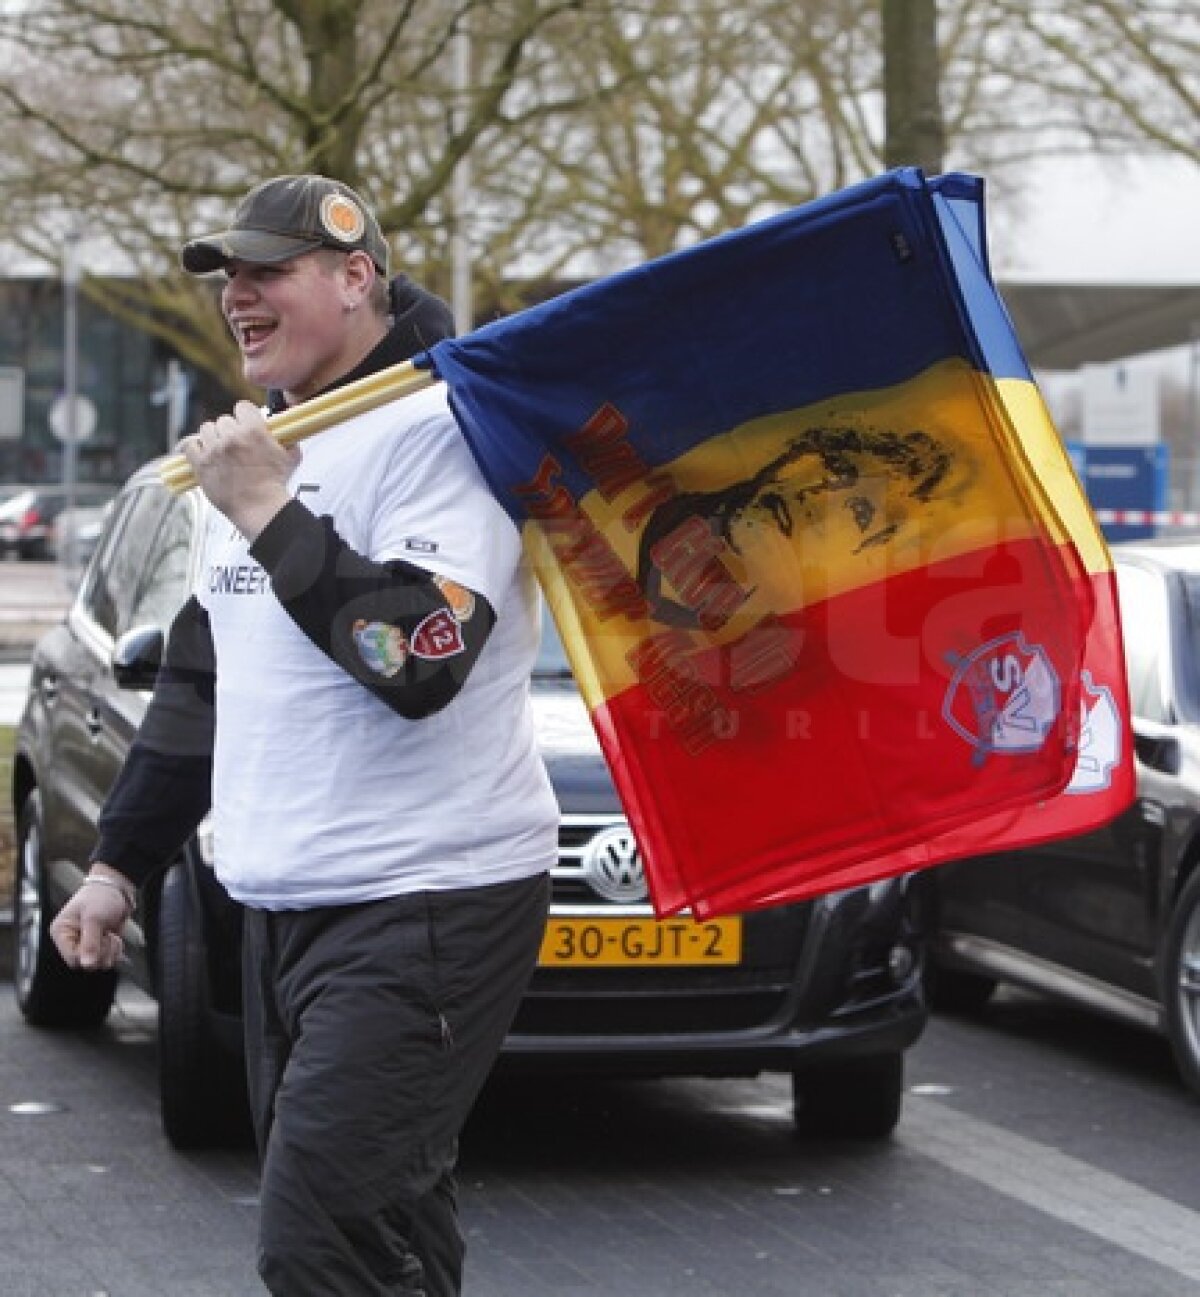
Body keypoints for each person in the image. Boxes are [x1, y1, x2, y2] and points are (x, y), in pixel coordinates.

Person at [49, 174, 558, 1297]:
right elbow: (201, 678)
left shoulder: (437, 433)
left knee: (321, 1245)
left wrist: (274, 514)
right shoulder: (258, 452)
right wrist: (119, 865)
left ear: (355, 277)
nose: (239, 295)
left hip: (428, 899)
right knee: (390, 1231)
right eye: (229, 276)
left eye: (267, 271)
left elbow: (420, 660)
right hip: (287, 906)